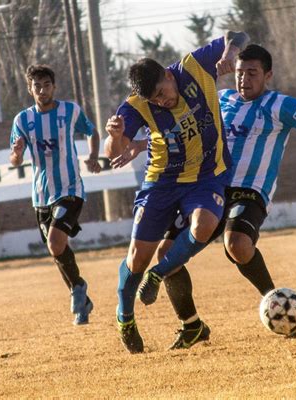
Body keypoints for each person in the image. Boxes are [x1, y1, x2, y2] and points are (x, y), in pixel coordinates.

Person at [111, 44, 296, 349]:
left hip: (250, 191)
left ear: (268, 75)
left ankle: (278, 304)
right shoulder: (219, 99)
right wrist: (139, 146)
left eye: (252, 73)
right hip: (210, 187)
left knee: (236, 244)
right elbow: (183, 132)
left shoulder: (281, 105)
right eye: (239, 72)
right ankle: (191, 325)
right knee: (166, 251)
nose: (244, 79)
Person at [104, 32, 250, 353]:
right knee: (137, 258)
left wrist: (229, 51)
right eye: (154, 100)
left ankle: (158, 276)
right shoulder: (135, 105)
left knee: (205, 225)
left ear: (169, 75)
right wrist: (114, 137)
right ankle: (125, 316)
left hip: (208, 176)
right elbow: (114, 147)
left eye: (162, 92)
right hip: (163, 181)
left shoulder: (194, 66)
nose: (162, 101)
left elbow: (237, 34)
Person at [10, 64, 101, 325]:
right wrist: (16, 152)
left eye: (46, 85)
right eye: (37, 86)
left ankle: (77, 290)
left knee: (55, 242)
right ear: (30, 89)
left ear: (54, 86)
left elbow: (91, 131)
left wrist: (93, 157)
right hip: (41, 196)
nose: (42, 90)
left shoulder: (69, 110)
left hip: (70, 189)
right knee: (57, 249)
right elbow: (15, 159)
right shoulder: (22, 120)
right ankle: (81, 296)